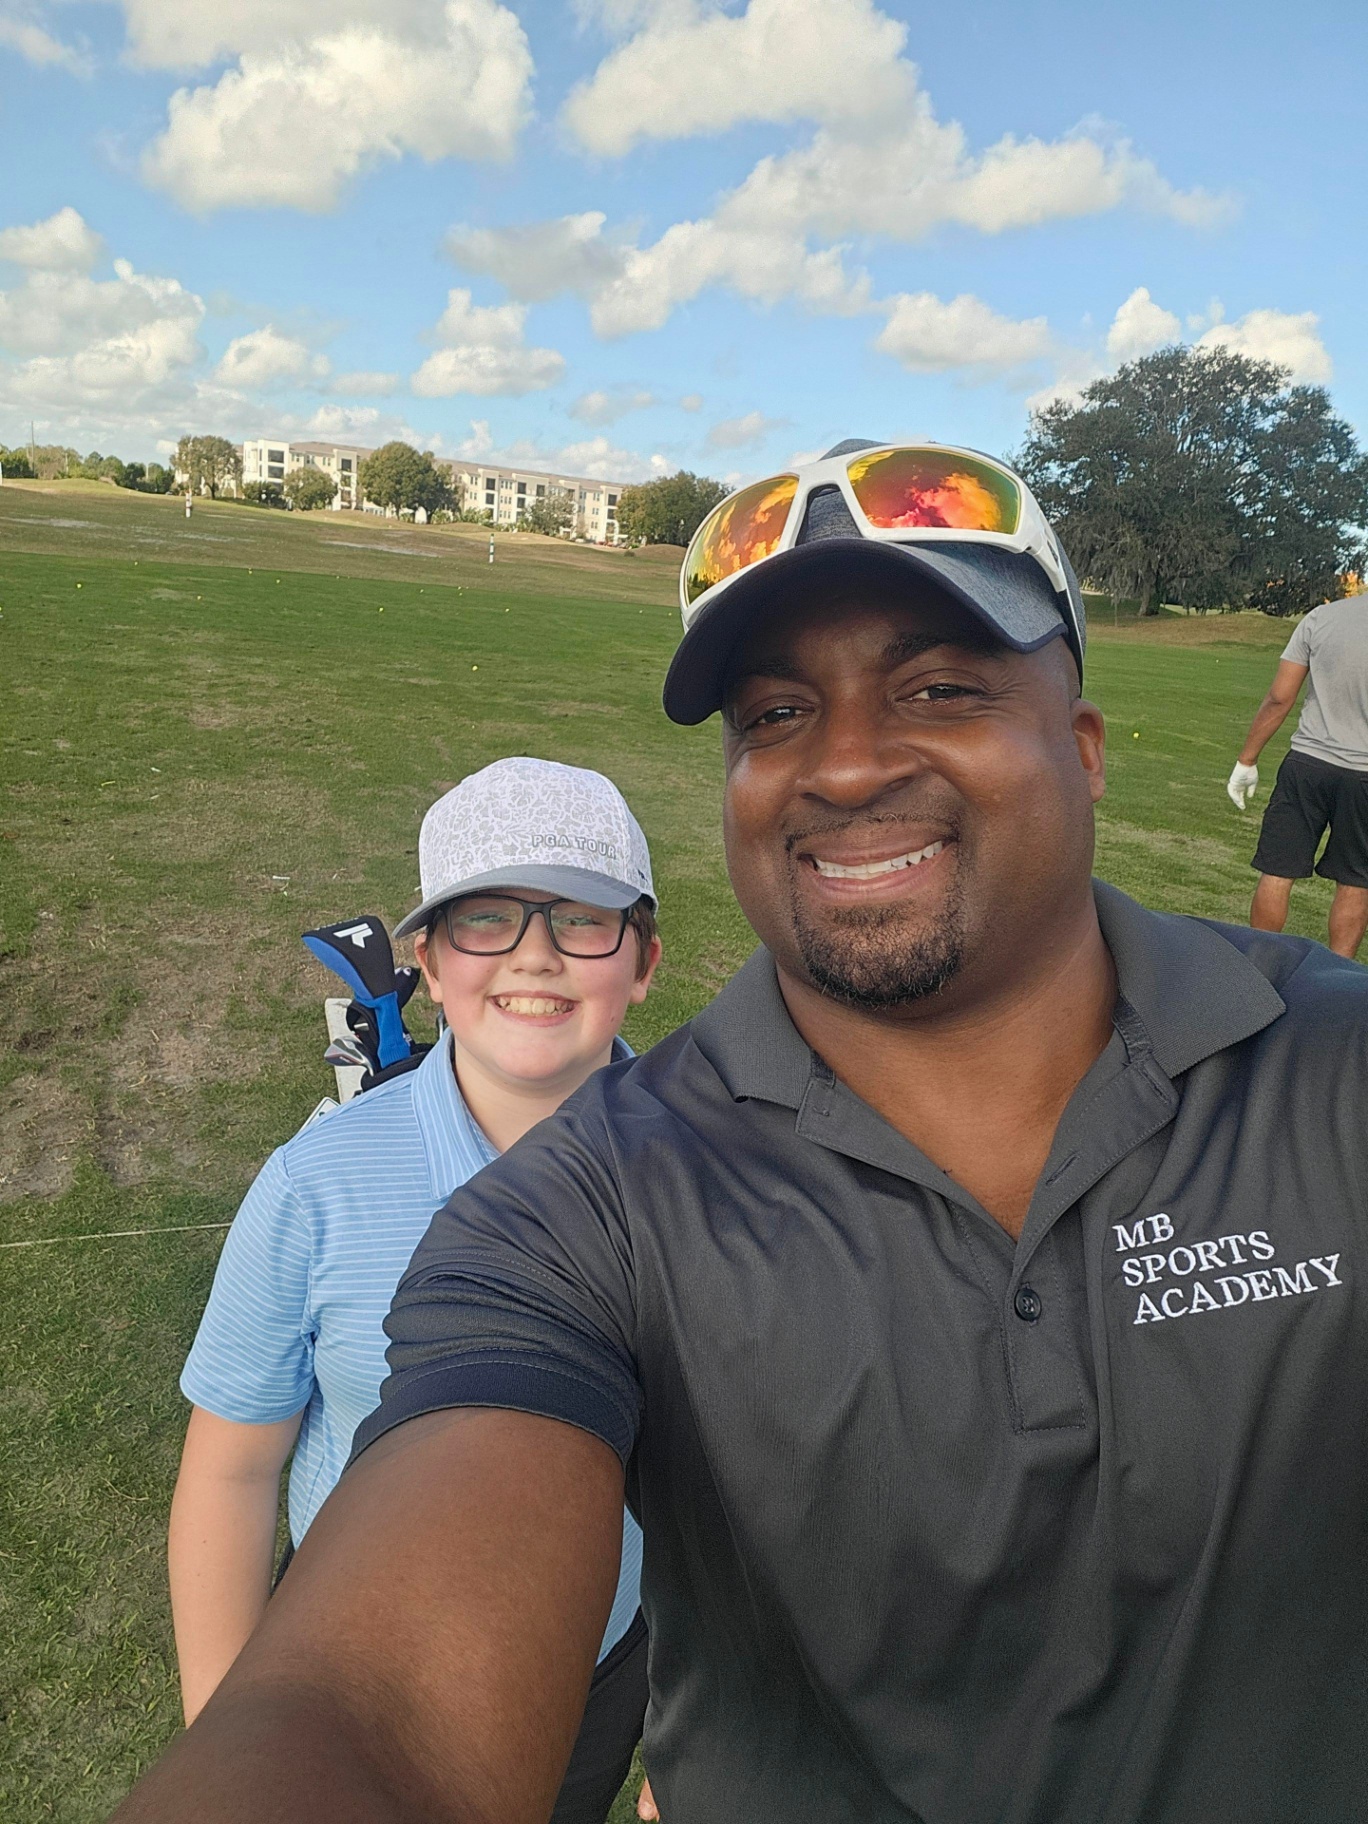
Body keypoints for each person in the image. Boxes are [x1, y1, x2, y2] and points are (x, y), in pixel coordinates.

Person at [116, 442, 1368, 1824]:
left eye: (939, 687)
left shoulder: (1333, 1068)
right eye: (774, 714)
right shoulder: (586, 1205)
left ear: (1081, 748)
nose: (840, 764)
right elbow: (373, 1705)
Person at [165, 755, 661, 1824]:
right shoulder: (318, 1181)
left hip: (604, 1664)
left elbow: (731, 1481)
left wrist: (699, 1718)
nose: (535, 956)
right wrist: (228, 1730)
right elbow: (232, 1474)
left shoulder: (714, 1183)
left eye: (581, 919)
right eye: (485, 921)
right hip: (351, 1673)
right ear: (428, 965)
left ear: (645, 960)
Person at [1227, 590, 1368, 957]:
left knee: (1278, 870)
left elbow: (1280, 697)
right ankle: (1340, 976)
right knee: (1356, 880)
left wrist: (1247, 759)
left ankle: (1261, 964)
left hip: (1308, 764)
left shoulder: (1321, 619)